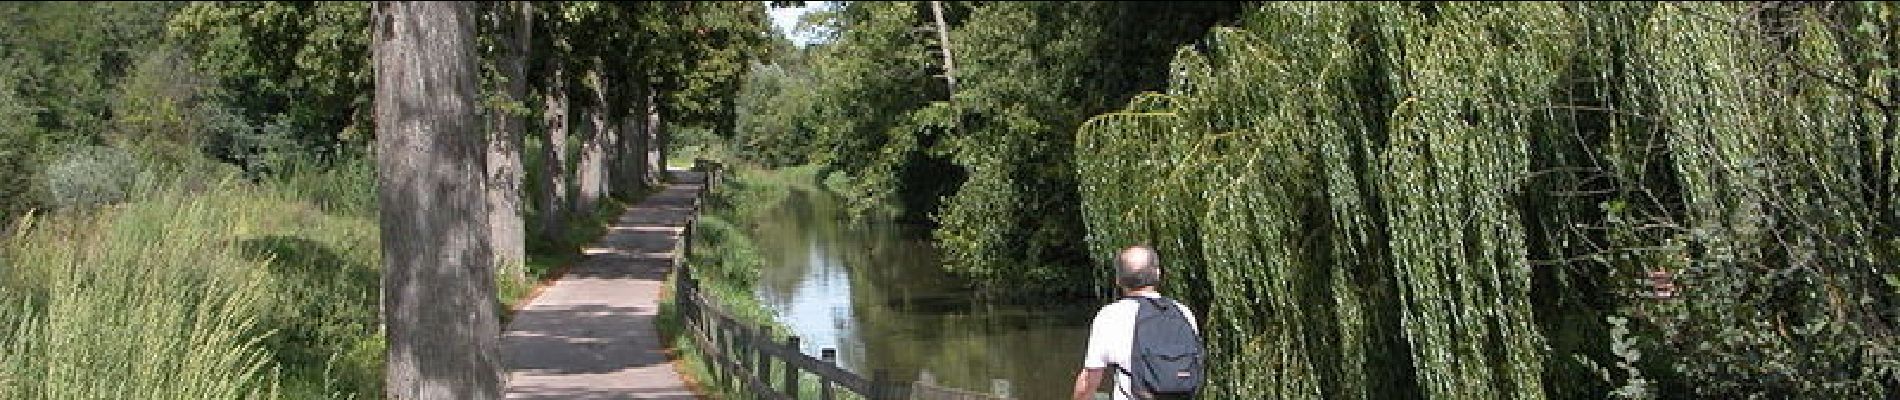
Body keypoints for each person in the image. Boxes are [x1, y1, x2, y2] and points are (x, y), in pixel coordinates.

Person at [1071, 245, 1201, 400]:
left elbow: (1089, 381)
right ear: (1158, 274)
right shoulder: (1183, 312)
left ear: (1119, 280)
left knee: (1099, 396)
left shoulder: (1110, 316)